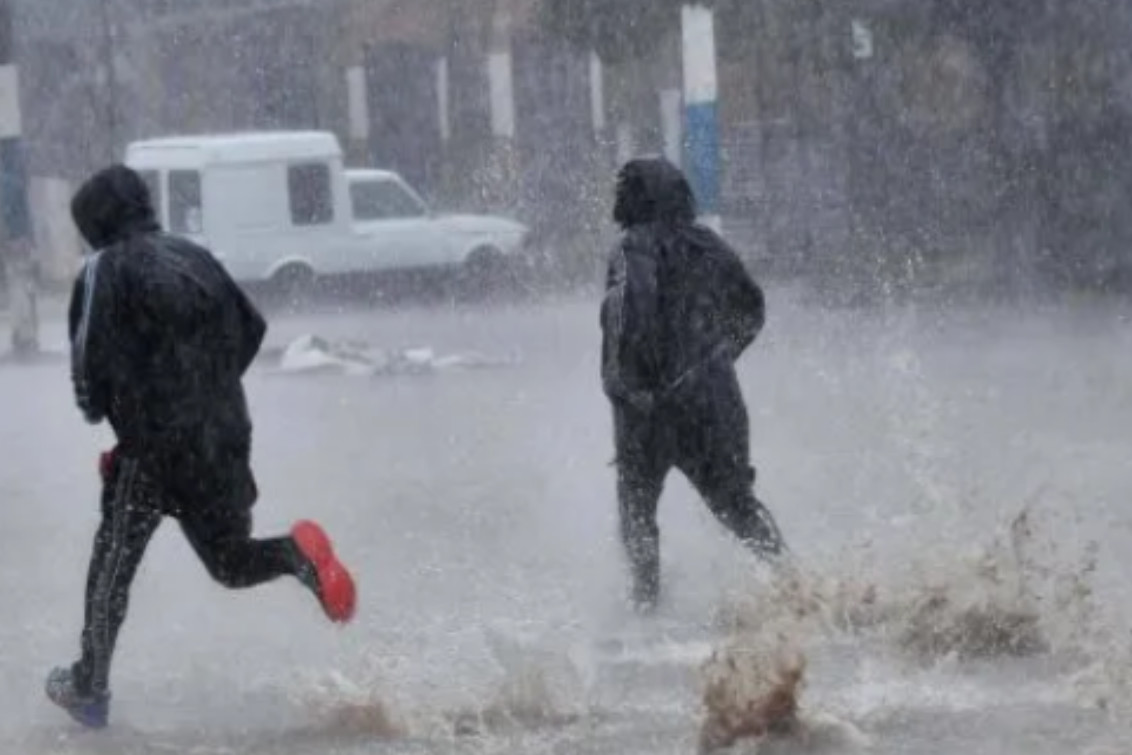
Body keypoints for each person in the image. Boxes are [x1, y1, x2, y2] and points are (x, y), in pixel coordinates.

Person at [47, 165, 357, 729]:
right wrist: (202, 397)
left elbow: (89, 372)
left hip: (152, 448)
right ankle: (297, 556)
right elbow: (252, 329)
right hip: (224, 436)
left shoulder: (103, 268)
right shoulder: (194, 256)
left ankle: (89, 686)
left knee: (113, 563)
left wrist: (122, 413)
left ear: (94, 223)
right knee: (229, 561)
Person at [600, 156, 788, 611]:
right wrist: (716, 359)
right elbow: (752, 307)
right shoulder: (710, 245)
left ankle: (646, 606)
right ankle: (797, 589)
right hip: (714, 404)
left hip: (649, 410)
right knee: (738, 507)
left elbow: (632, 313)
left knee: (637, 511)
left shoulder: (632, 249)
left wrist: (625, 385)